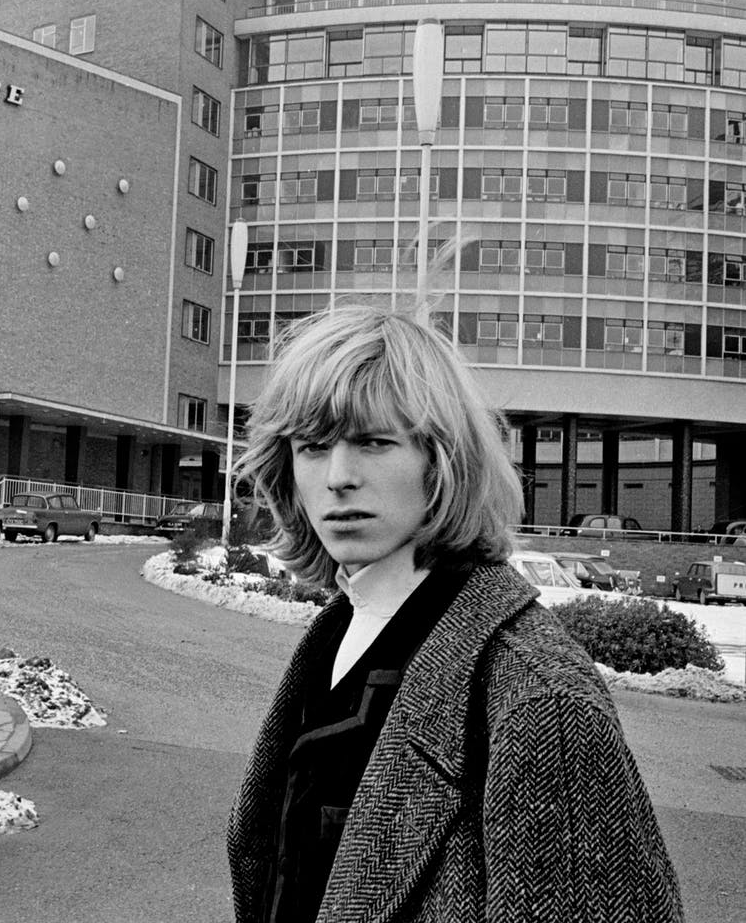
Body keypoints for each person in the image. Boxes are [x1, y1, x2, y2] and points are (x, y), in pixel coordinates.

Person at [226, 303, 684, 923]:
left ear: (441, 462)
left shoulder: (540, 698)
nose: (337, 477)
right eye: (312, 447)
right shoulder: (342, 625)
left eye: (373, 442)